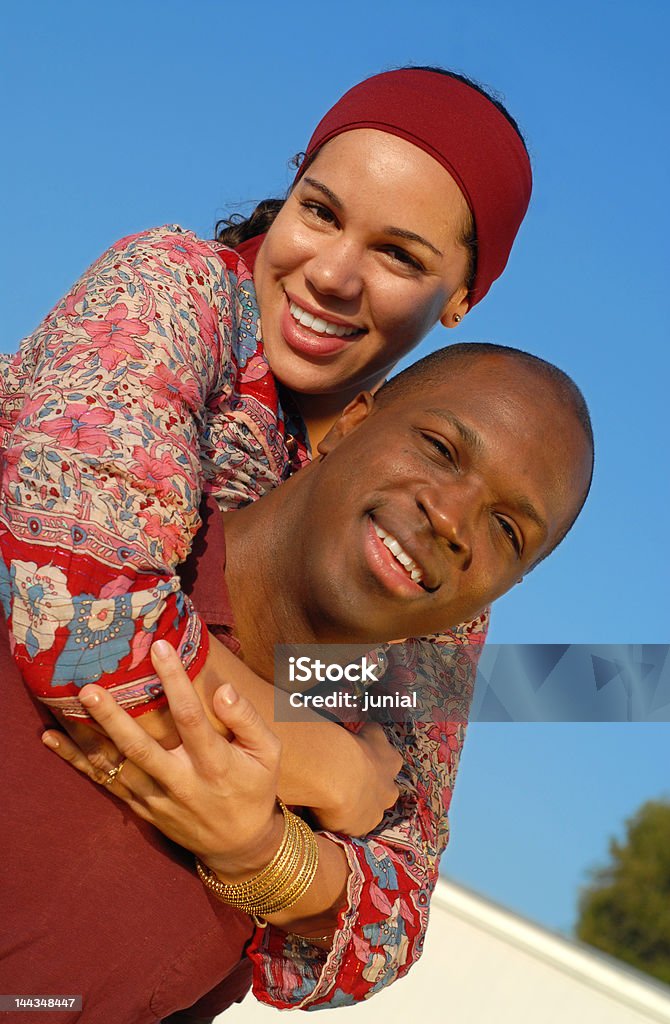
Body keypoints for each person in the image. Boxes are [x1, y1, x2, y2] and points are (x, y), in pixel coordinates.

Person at [0, 64, 532, 1018]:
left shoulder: (433, 561)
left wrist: (260, 853)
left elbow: (390, 916)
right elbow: (74, 611)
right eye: (320, 212)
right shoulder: (173, 294)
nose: (332, 273)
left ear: (460, 300)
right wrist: (334, 769)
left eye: (401, 255)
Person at [2, 345, 594, 1022]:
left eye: (507, 530)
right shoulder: (52, 506)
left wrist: (258, 854)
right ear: (350, 423)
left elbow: (391, 925)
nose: (454, 520)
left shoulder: (330, 840)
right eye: (438, 448)